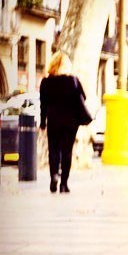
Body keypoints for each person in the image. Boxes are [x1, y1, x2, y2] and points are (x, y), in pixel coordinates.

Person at [39, 51, 87, 193]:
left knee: (53, 150)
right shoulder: (73, 80)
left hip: (53, 121)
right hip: (70, 123)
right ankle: (64, 184)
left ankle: (54, 175)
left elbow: (43, 105)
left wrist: (42, 122)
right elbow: (83, 97)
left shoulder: (46, 82)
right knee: (67, 152)